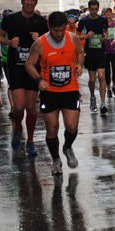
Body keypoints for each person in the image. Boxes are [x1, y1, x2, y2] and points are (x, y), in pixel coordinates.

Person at [25, 12, 85, 175]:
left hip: (70, 89)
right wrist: (38, 80)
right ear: (49, 27)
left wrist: (79, 65)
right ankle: (56, 160)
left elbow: (80, 53)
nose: (59, 34)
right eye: (55, 31)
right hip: (49, 91)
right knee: (52, 128)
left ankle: (67, 147)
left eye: (61, 30)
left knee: (72, 127)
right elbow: (29, 64)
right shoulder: (40, 43)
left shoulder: (73, 38)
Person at [0, 0, 49, 156]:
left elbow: (49, 42)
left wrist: (39, 39)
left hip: (33, 70)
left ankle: (31, 141)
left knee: (31, 107)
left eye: (33, 0)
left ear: (36, 2)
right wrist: (9, 42)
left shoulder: (41, 21)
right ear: (22, 1)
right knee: (18, 107)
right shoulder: (11, 19)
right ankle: (17, 129)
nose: (30, 2)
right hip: (17, 67)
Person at [77, 0, 109, 115]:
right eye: (92, 9)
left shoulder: (103, 20)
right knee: (91, 79)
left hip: (101, 52)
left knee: (101, 76)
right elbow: (76, 36)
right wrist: (86, 36)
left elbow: (106, 31)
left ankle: (103, 103)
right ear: (89, 9)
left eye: (96, 9)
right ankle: (92, 97)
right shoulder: (83, 21)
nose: (94, 12)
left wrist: (105, 37)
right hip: (90, 53)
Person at [102, 8, 115, 98]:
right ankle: (108, 88)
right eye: (106, 12)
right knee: (107, 71)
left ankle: (114, 86)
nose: (108, 14)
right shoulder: (102, 24)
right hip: (105, 50)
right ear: (104, 14)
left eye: (109, 12)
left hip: (114, 50)